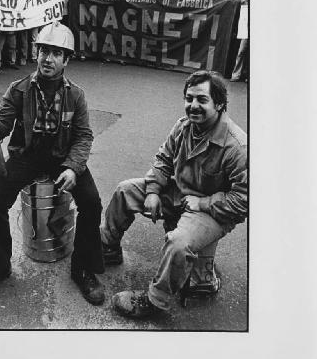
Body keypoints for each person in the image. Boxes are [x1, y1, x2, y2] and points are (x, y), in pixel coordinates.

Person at [0, 22, 105, 305]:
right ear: (36, 53)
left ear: (66, 60)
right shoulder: (18, 89)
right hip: (26, 156)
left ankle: (84, 269)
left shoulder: (76, 95)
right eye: (44, 51)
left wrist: (72, 167)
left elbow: (83, 136)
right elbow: (2, 127)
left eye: (56, 53)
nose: (48, 59)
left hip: (64, 157)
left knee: (91, 203)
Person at [101, 70, 247, 318]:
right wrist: (153, 191)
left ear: (219, 104)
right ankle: (108, 248)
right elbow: (163, 160)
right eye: (189, 98)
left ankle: (155, 302)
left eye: (202, 100)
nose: (193, 106)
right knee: (125, 190)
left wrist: (203, 202)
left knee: (179, 242)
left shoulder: (237, 146)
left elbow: (244, 202)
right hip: (179, 192)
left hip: (212, 210)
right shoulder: (184, 126)